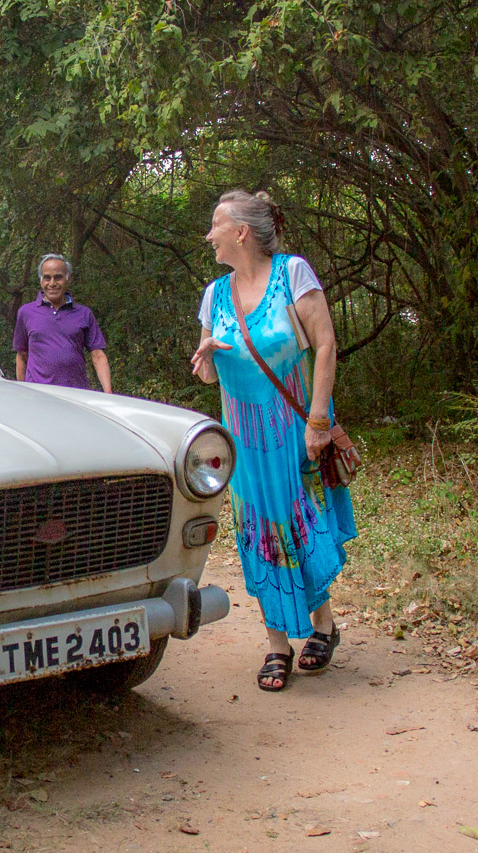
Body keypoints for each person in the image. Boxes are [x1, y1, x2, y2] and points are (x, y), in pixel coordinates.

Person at [190, 190, 357, 692]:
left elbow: (325, 343)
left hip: (296, 431)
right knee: (259, 534)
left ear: (241, 232)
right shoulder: (214, 295)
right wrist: (205, 358)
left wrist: (319, 420)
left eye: (216, 225)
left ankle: (323, 625)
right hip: (244, 442)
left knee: (301, 527)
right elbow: (208, 377)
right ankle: (277, 644)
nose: (209, 235)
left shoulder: (292, 273)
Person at [13, 253, 112, 392]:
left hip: (75, 394)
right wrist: (22, 392)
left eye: (58, 277)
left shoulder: (84, 313)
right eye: (47, 278)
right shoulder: (26, 312)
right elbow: (22, 356)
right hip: (38, 395)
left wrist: (108, 392)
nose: (52, 283)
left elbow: (98, 356)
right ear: (41, 281)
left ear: (68, 279)